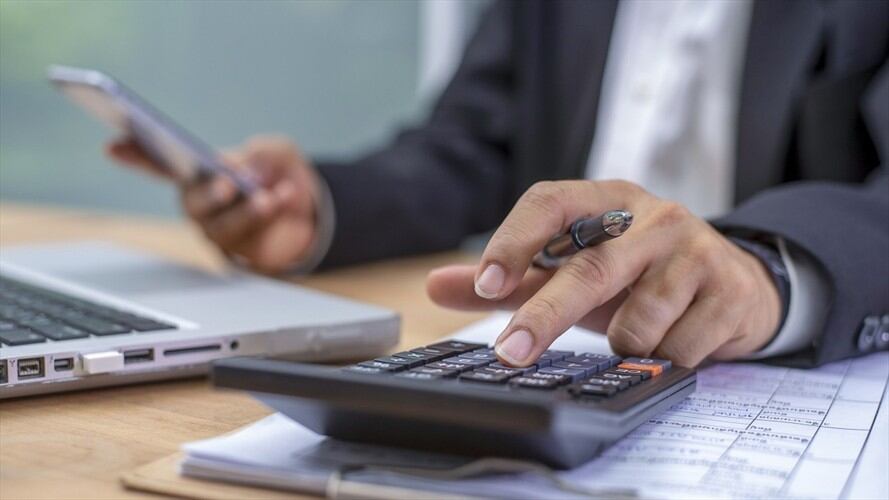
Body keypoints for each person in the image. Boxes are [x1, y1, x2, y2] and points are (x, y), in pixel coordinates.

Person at [108, 0, 889, 369]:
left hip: (776, 370)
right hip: (560, 352)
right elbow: (475, 144)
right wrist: (317, 210)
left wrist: (764, 269)